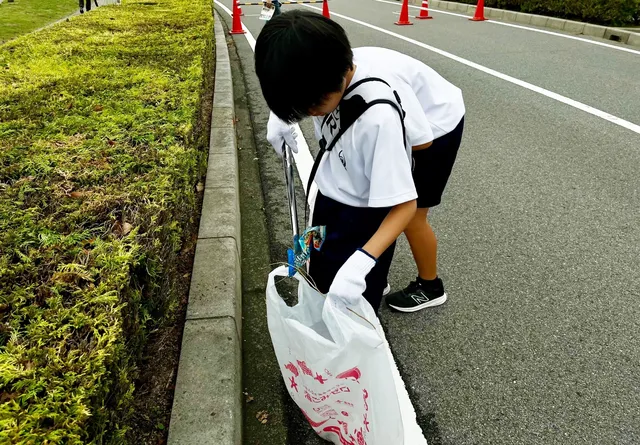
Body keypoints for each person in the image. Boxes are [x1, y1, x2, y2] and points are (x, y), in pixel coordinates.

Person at [256, 11, 465, 313]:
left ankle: (429, 285)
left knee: (410, 214)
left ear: (331, 85)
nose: (309, 114)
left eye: (310, 107)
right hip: (387, 121)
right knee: (372, 199)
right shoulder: (320, 64)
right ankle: (373, 271)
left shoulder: (381, 112)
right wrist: (280, 115)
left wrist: (363, 261)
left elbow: (422, 143)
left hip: (437, 123)